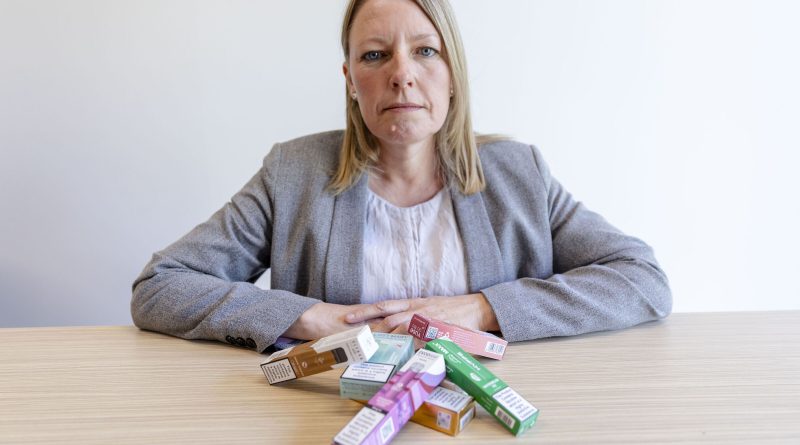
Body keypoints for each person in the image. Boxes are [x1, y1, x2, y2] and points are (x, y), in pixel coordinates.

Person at [131, 0, 671, 353]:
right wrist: (307, 318)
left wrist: (482, 309)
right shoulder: (291, 174)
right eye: (375, 55)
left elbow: (641, 279)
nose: (402, 75)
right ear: (350, 80)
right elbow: (160, 286)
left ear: (453, 73)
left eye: (425, 51)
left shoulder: (519, 173)